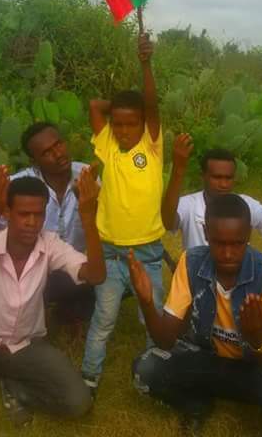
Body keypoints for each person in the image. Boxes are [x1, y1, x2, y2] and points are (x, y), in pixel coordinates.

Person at [0, 166, 105, 437]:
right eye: (23, 214)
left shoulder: (49, 244)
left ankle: (17, 389)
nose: (32, 222)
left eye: (38, 214)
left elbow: (96, 276)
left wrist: (89, 218)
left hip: (25, 346)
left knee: (79, 402)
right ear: (7, 213)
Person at [130, 193, 262, 437]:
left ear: (248, 236)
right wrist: (147, 302)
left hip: (250, 368)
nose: (228, 253)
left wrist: (258, 338)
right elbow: (165, 341)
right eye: (219, 243)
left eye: (237, 244)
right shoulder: (190, 263)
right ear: (206, 234)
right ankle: (196, 405)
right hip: (204, 359)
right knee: (145, 370)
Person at [81, 33, 165, 394]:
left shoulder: (152, 144)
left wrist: (145, 65)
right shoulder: (108, 145)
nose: (124, 130)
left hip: (147, 252)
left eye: (132, 123)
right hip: (110, 253)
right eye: (118, 123)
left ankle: (155, 375)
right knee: (103, 319)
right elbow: (94, 106)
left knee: (153, 318)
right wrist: (119, 106)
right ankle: (89, 377)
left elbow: (152, 106)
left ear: (145, 123)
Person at [162, 135, 262, 326]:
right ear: (203, 177)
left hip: (240, 283)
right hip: (201, 283)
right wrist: (178, 171)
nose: (223, 184)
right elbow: (168, 222)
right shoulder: (190, 204)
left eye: (228, 178)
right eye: (217, 177)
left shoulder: (245, 205)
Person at [0, 122, 96, 324]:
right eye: (47, 152)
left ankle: (71, 310)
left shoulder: (86, 175)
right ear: (34, 161)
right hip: (34, 267)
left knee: (114, 274)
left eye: (59, 144)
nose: (58, 154)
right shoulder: (18, 186)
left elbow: (102, 222)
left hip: (75, 263)